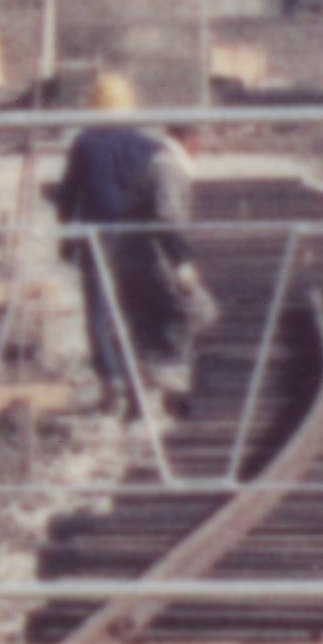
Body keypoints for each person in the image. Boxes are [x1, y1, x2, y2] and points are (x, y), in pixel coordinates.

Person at [52, 68, 197, 405]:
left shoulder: (84, 144)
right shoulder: (148, 145)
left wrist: (67, 241)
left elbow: (68, 196)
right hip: (139, 240)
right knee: (136, 310)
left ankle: (111, 380)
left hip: (98, 236)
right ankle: (140, 379)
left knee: (100, 314)